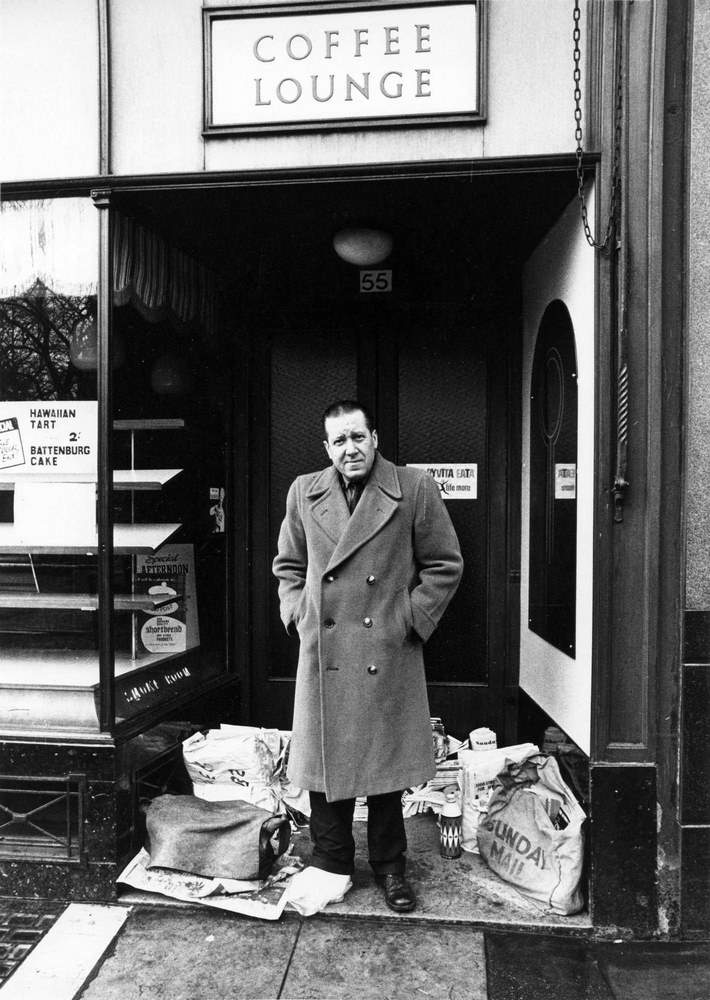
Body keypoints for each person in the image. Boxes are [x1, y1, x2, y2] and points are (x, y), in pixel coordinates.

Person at [273, 400, 463, 913]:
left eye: (357, 437)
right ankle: (332, 861)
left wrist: (409, 620)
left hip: (385, 647)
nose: (349, 449)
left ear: (374, 438)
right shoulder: (303, 491)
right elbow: (288, 565)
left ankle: (390, 869)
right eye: (339, 441)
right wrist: (301, 613)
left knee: (384, 766)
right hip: (326, 650)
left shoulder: (413, 488)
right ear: (327, 448)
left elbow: (445, 564)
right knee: (323, 764)